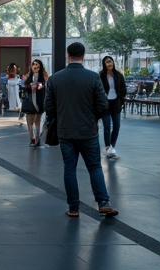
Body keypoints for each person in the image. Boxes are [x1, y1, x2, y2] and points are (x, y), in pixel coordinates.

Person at [43, 42, 117, 218]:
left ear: (68, 55)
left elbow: (49, 107)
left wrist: (59, 118)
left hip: (65, 131)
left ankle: (74, 207)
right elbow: (103, 104)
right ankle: (103, 202)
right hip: (88, 130)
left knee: (69, 168)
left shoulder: (55, 78)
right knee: (94, 167)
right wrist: (92, 118)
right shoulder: (92, 77)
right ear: (83, 56)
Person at [99, 56, 126, 159]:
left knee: (117, 126)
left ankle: (112, 146)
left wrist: (121, 100)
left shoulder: (118, 75)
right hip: (105, 103)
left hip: (116, 103)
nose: (110, 64)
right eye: (107, 62)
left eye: (111, 61)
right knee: (106, 126)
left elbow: (123, 89)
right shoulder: (101, 76)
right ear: (104, 64)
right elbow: (98, 89)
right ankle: (107, 147)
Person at [22, 59, 48, 147]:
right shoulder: (28, 77)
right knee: (30, 122)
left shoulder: (43, 78)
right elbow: (25, 88)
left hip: (38, 102)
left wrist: (36, 86)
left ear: (40, 67)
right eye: (34, 64)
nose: (35, 67)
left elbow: (42, 87)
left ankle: (36, 139)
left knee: (37, 121)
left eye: (37, 65)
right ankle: (32, 138)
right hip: (30, 102)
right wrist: (29, 86)